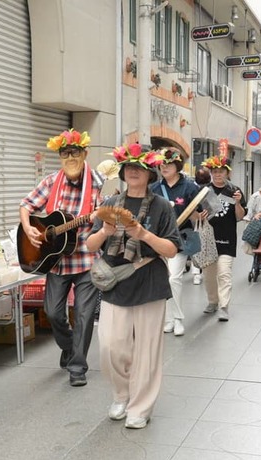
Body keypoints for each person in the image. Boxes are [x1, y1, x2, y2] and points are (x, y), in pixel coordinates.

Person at [86, 144, 180, 429]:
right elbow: (90, 245)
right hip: (116, 283)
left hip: (150, 283)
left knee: (147, 352)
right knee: (111, 347)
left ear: (149, 173)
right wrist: (104, 231)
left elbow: (172, 249)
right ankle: (121, 395)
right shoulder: (111, 204)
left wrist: (144, 234)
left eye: (138, 168)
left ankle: (140, 407)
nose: (133, 172)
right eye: (128, 168)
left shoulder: (162, 206)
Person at [19, 128, 104, 386]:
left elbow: (103, 216)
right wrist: (28, 228)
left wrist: (101, 216)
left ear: (84, 153)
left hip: (87, 259)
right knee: (53, 313)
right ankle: (68, 346)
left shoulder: (98, 183)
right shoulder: (50, 181)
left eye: (75, 152)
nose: (70, 157)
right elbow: (26, 205)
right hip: (56, 259)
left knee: (84, 314)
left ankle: (77, 367)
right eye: (65, 153)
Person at [150, 147, 207, 336]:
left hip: (180, 239)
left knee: (174, 277)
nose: (164, 167)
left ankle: (178, 319)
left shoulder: (190, 187)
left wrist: (196, 214)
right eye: (161, 164)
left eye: (168, 164)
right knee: (163, 279)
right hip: (158, 239)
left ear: (177, 165)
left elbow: (202, 214)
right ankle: (168, 319)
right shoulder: (154, 189)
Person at [198, 155, 246, 321]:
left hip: (227, 240)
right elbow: (195, 214)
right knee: (209, 276)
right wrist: (200, 216)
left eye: (221, 171)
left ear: (227, 173)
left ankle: (224, 306)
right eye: (215, 171)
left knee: (224, 273)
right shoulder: (204, 191)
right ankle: (213, 302)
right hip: (208, 240)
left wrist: (238, 203)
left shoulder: (234, 191)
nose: (218, 174)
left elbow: (240, 217)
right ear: (211, 173)